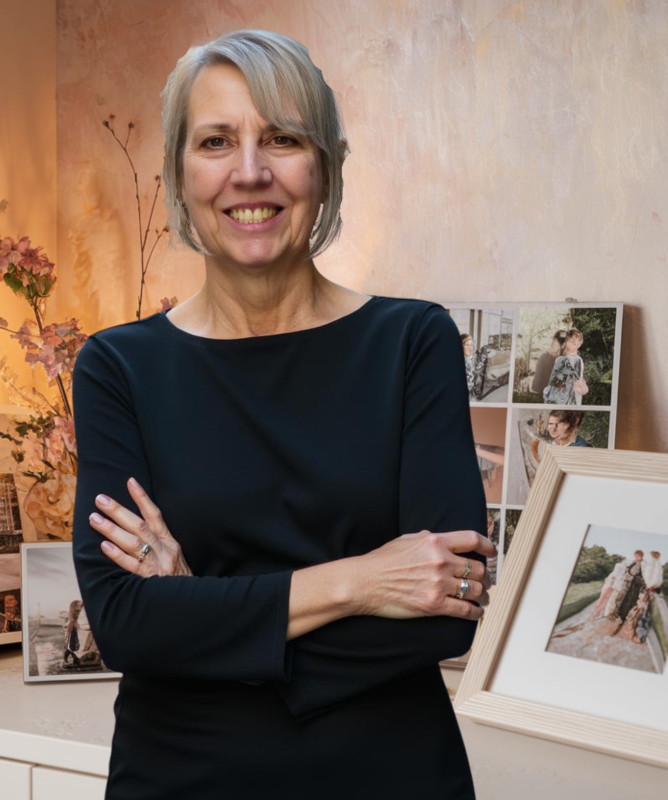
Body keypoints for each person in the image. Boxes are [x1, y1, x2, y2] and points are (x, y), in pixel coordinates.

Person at [72, 30, 495, 800]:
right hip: (180, 778)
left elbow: (448, 608)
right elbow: (127, 621)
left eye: (282, 138)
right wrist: (362, 582)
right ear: (178, 173)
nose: (250, 172)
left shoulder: (411, 341)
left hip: (388, 776)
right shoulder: (117, 368)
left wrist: (202, 614)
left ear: (324, 167)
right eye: (216, 141)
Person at [543, 328, 586, 405]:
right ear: (565, 342)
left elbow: (577, 380)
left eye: (576, 343)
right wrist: (549, 392)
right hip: (556, 394)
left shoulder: (577, 360)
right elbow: (552, 378)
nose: (573, 344)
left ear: (579, 345)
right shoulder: (559, 360)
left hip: (569, 396)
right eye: (571, 341)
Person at [531, 330, 566, 395]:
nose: (561, 345)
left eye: (563, 343)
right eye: (559, 342)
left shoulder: (564, 360)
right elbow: (536, 385)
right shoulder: (544, 358)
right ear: (554, 341)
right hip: (542, 395)